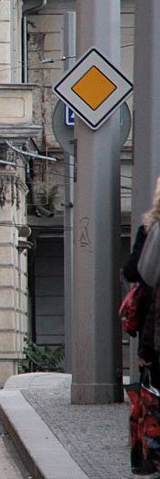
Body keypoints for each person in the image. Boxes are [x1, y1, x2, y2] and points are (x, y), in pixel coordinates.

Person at [124, 176, 160, 475]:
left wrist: (145, 348)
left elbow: (138, 272)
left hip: (155, 333)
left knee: (152, 397)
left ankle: (149, 455)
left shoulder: (151, 231)